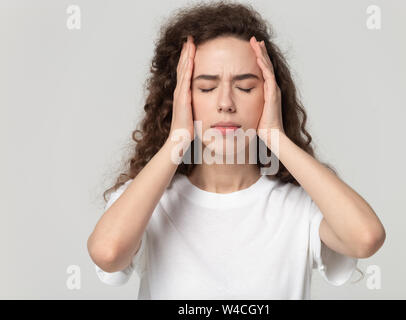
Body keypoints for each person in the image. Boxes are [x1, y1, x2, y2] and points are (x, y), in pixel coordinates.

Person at [87, 1, 385, 299]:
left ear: (270, 96)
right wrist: (176, 140)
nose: (226, 103)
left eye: (245, 88)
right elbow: (108, 253)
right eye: (206, 88)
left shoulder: (298, 207)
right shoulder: (151, 200)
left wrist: (275, 136)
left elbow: (365, 238)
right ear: (178, 98)